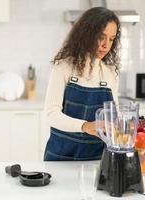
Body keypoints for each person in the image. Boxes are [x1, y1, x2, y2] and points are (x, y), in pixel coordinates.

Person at [43, 7, 121, 161]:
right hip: (62, 157)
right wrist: (85, 126)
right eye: (101, 37)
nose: (106, 45)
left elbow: (113, 118)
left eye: (111, 39)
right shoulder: (63, 67)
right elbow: (51, 115)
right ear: (87, 35)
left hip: (97, 159)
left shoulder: (109, 73)